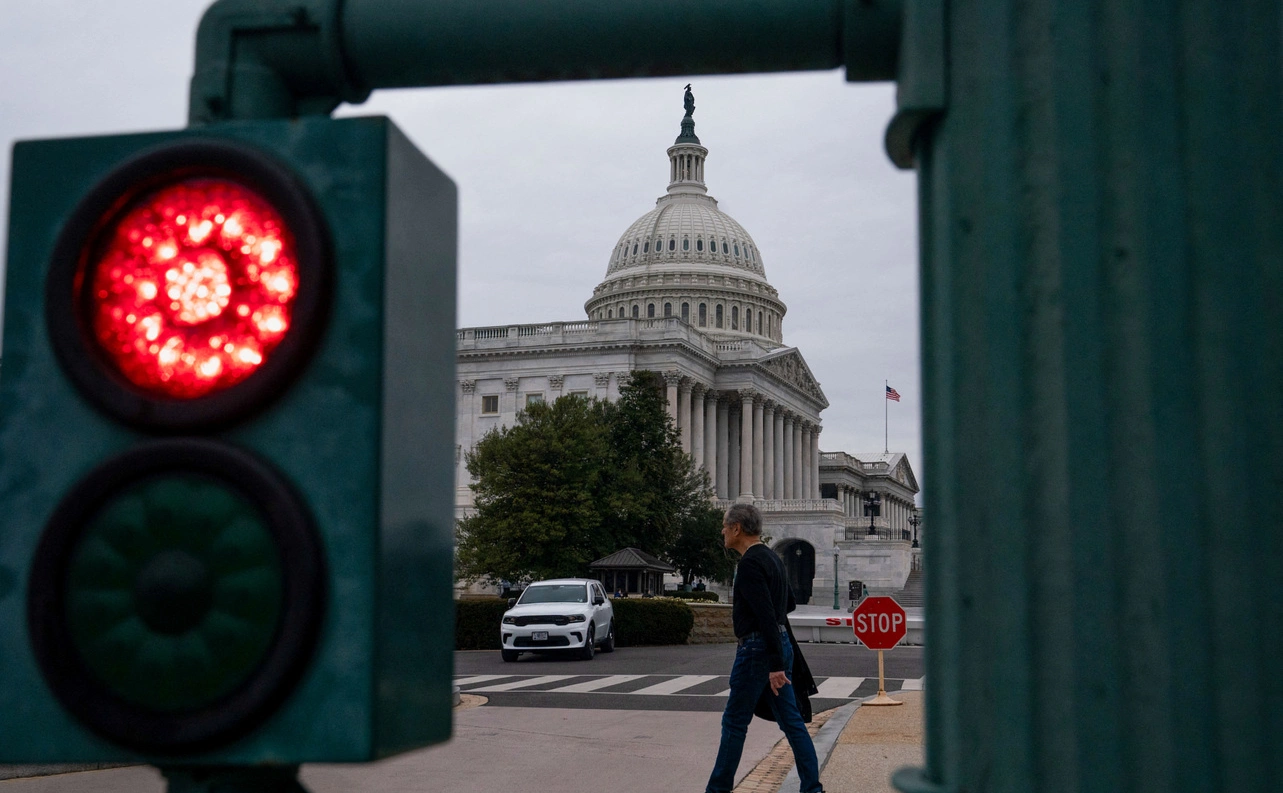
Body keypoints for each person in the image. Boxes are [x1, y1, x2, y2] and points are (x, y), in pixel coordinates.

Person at [705, 503, 823, 793]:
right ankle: (812, 787)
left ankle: (717, 790)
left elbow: (766, 616)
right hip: (777, 646)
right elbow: (788, 605)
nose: (722, 531)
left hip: (758, 650)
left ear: (737, 528)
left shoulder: (749, 564)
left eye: (724, 526)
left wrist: (774, 666)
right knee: (792, 723)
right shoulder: (773, 558)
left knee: (734, 722)